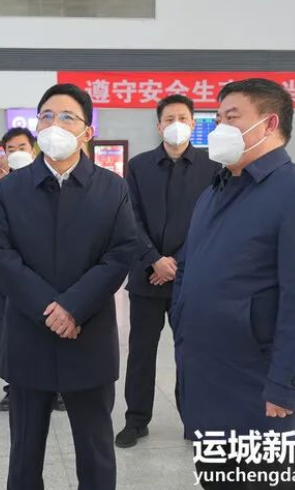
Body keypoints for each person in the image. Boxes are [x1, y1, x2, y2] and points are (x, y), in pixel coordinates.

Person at [171, 79, 295, 489]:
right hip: (209, 379)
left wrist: (286, 385)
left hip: (263, 390)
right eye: (217, 118)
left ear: (269, 124)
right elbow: (190, 268)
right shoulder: (215, 191)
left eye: (232, 117)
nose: (219, 128)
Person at [0, 83, 137, 490]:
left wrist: (73, 307)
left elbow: (121, 252)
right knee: (24, 453)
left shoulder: (112, 188)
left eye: (67, 117)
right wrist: (47, 308)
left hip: (88, 334)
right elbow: (1, 253)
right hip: (28, 334)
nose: (55, 124)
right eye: (47, 116)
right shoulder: (9, 190)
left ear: (87, 131)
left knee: (96, 450)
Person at [116, 95, 221, 448]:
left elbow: (212, 222)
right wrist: (153, 259)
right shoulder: (139, 166)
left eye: (183, 117)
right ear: (159, 125)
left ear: (193, 123)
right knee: (141, 352)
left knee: (191, 353)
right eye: (169, 118)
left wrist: (176, 263)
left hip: (190, 280)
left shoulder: (213, 167)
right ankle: (136, 420)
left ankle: (195, 420)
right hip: (146, 277)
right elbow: (130, 218)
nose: (176, 124)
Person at [0, 128, 68, 413]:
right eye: (11, 149)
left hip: (46, 273)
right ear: (4, 155)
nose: (17, 153)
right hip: (9, 274)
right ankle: (13, 389)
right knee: (13, 333)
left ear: (34, 149)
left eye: (22, 147)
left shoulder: (52, 186)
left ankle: (57, 389)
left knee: (51, 327)